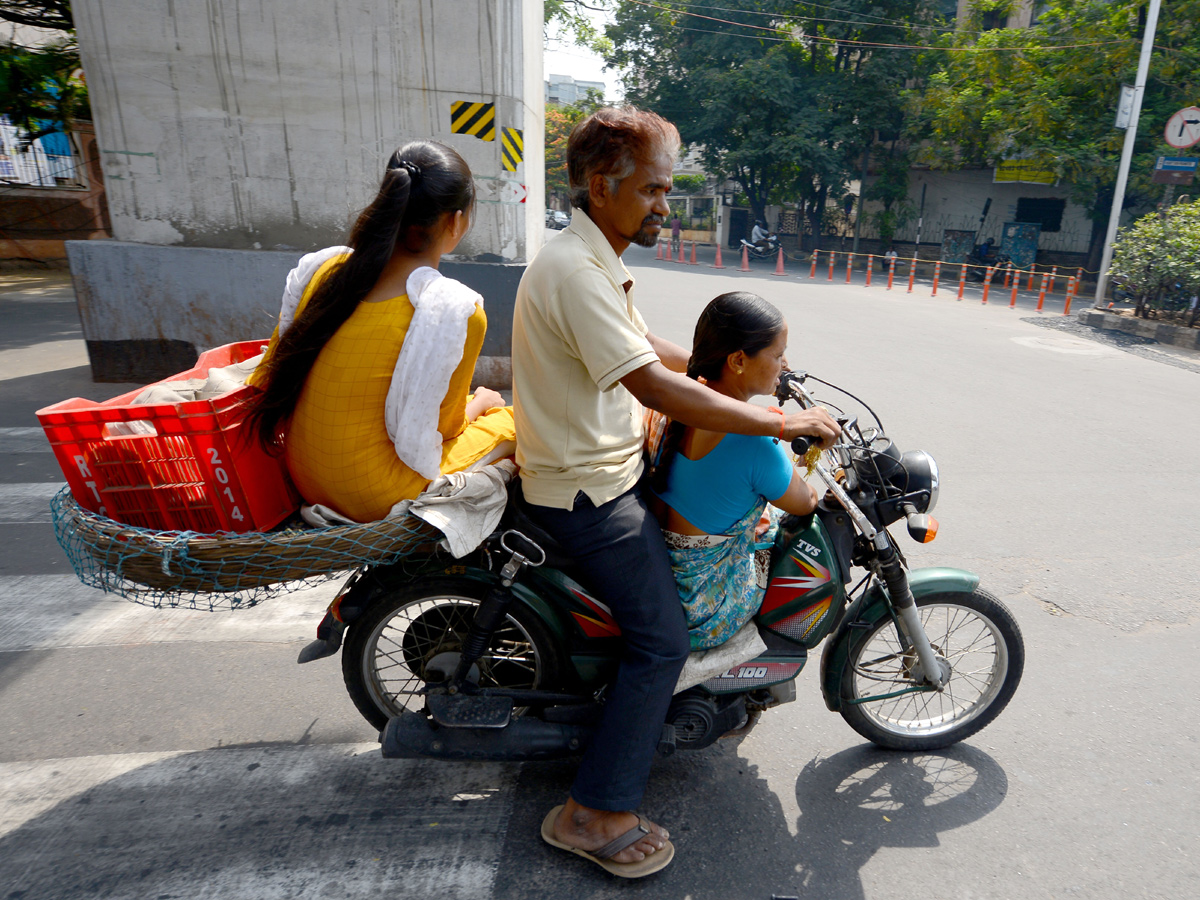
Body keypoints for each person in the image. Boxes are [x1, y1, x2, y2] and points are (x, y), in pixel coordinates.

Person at [512, 106, 838, 878]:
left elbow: (659, 354)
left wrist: (721, 369)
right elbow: (656, 382)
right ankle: (592, 814)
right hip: (587, 496)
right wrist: (777, 421)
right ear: (602, 185)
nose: (665, 204)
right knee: (663, 640)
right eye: (655, 189)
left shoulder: (592, 261)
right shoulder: (575, 271)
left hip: (601, 476)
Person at [248, 140, 515, 522]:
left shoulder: (325, 270)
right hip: (371, 493)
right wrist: (482, 404)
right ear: (456, 221)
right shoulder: (453, 310)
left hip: (304, 473)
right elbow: (441, 431)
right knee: (517, 423)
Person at [649, 292, 818, 649]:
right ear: (739, 360)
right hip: (705, 610)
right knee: (775, 537)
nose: (785, 365)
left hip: (667, 580)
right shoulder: (756, 444)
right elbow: (806, 503)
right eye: (776, 354)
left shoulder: (683, 396)